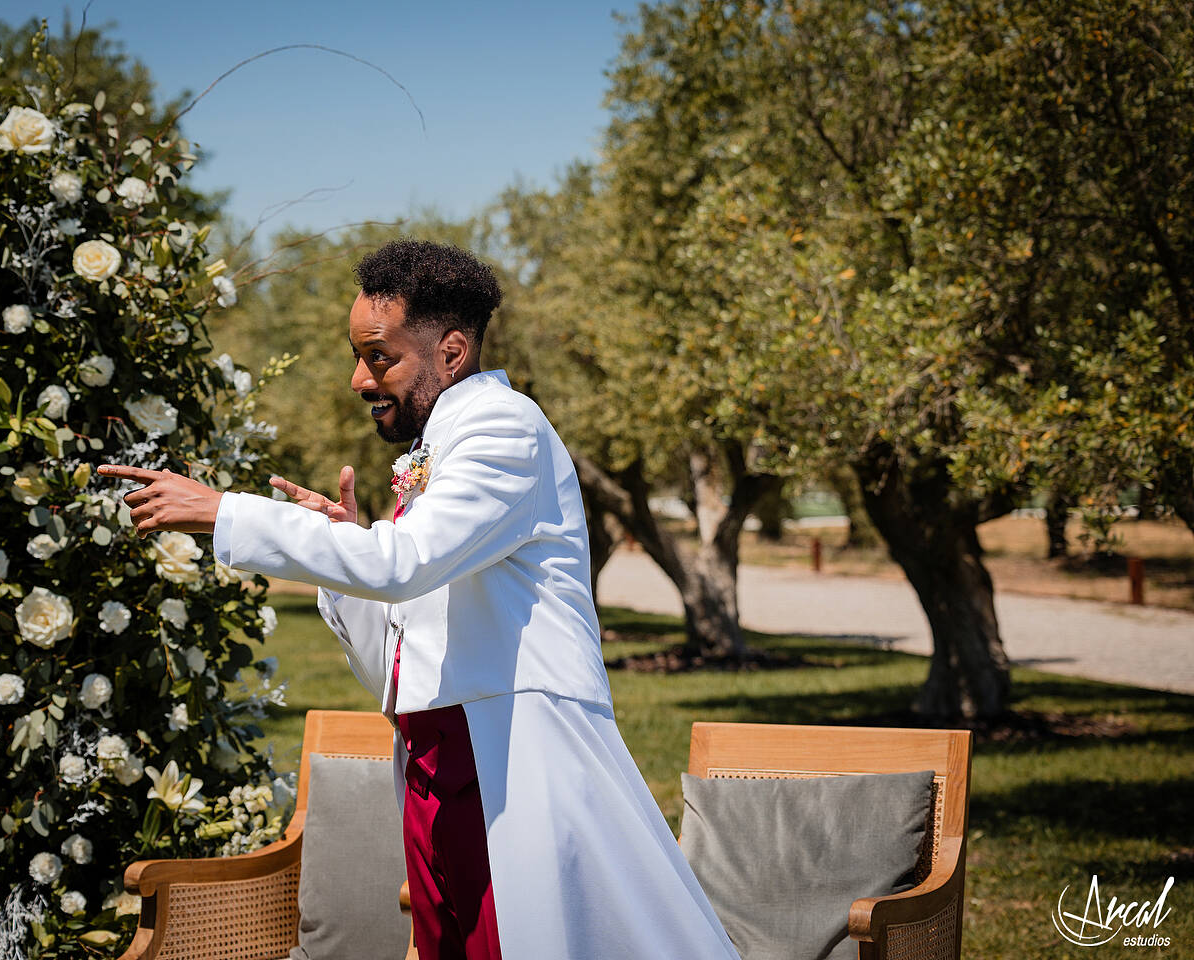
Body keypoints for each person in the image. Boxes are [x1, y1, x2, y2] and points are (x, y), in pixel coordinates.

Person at [97, 239, 742, 960]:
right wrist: (343, 554)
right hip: (434, 759)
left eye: (379, 357)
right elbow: (398, 663)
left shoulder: (505, 428)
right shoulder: (438, 451)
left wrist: (227, 513)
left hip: (510, 759)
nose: (358, 379)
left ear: (453, 352)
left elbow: (404, 564)